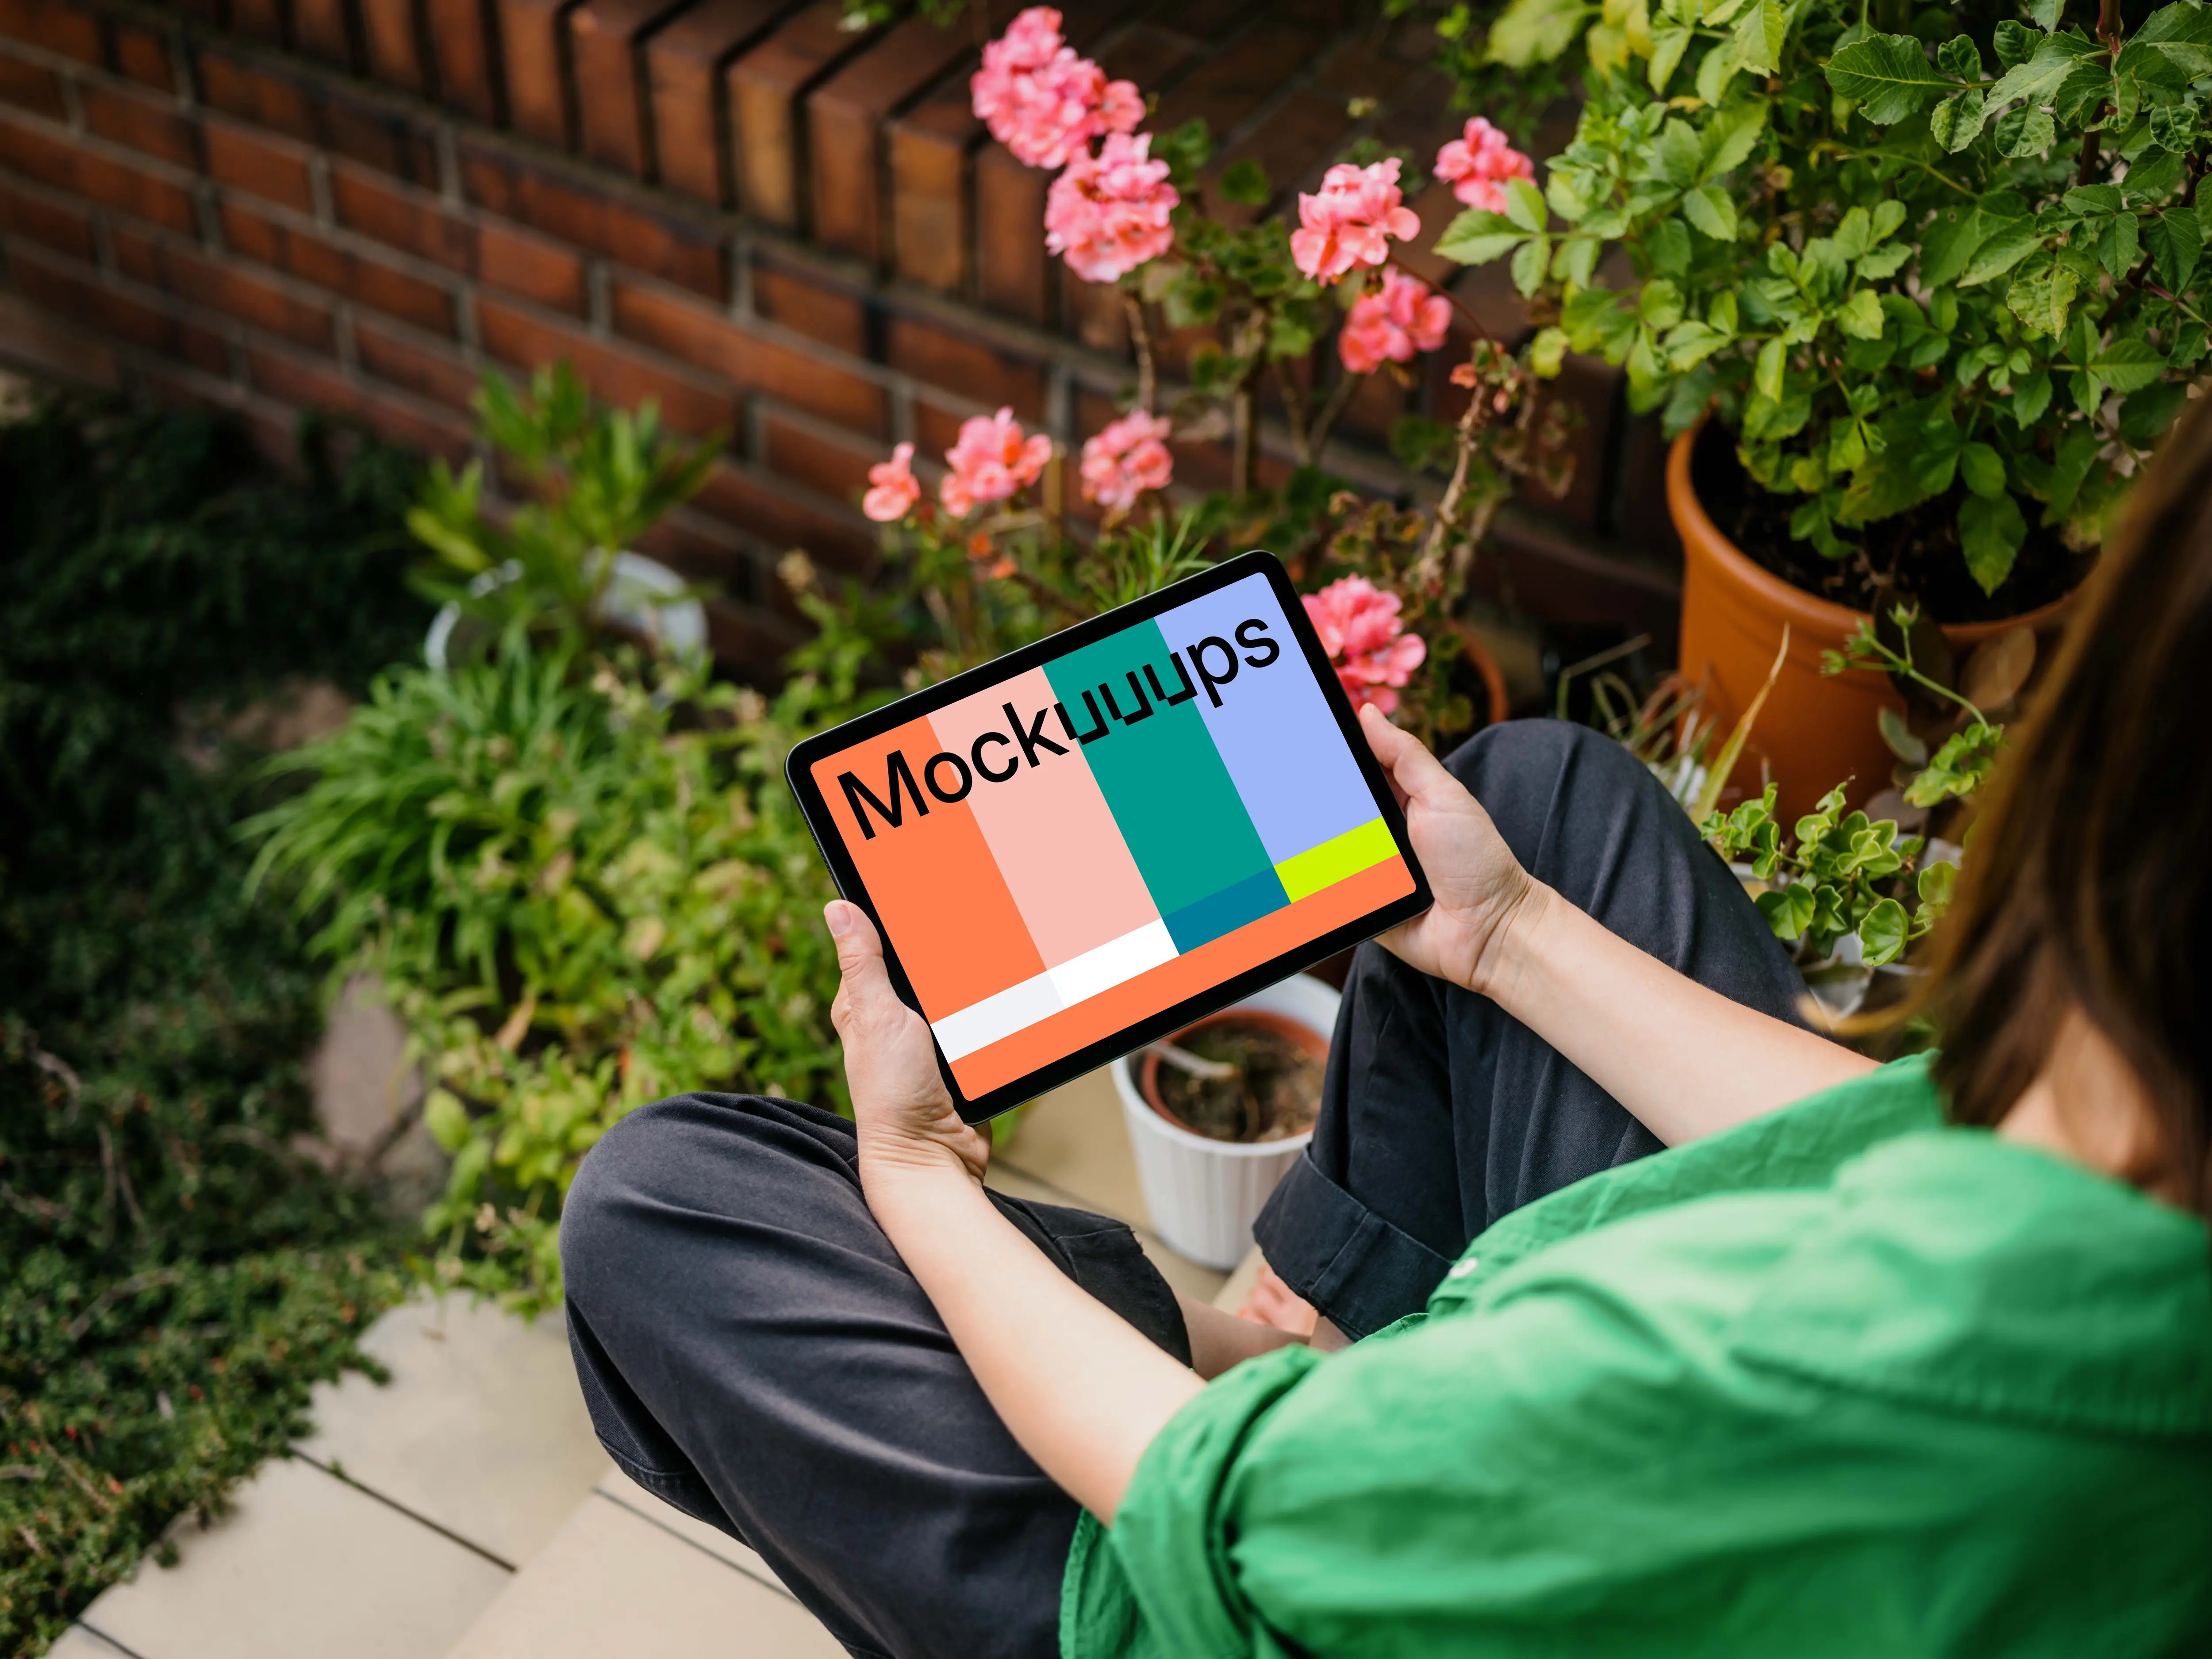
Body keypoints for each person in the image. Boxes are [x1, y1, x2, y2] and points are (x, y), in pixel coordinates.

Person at [559, 403, 2212, 1657]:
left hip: (1286, 1566)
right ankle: (1306, 1311)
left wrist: (920, 1173)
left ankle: (1262, 1339)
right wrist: (1507, 935)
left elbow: (1228, 1496)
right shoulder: (2138, 1206)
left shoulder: (1749, 1360)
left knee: (663, 1203)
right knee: (1545, 797)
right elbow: (1893, 1133)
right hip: (1554, 1449)